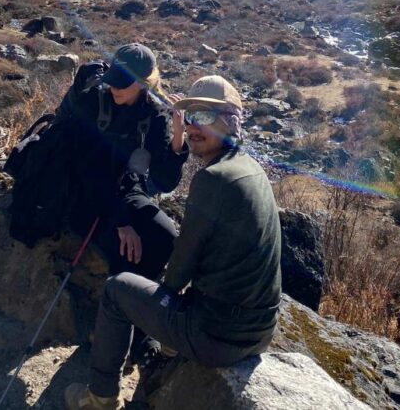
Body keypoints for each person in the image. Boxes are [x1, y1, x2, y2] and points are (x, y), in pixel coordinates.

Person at [64, 75, 282, 410]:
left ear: (230, 121)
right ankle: (163, 350)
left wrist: (159, 313)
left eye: (206, 118)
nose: (195, 127)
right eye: (191, 117)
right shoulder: (249, 168)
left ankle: (99, 398)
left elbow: (182, 265)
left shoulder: (213, 178)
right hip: (258, 332)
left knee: (117, 289)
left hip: (216, 337)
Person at [59, 43, 188, 282]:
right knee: (122, 245)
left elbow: (164, 181)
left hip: (123, 186)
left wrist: (178, 140)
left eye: (123, 81)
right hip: (79, 185)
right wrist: (121, 222)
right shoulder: (94, 100)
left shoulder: (154, 115)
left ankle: (132, 300)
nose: (114, 86)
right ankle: (116, 301)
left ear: (143, 83)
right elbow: (88, 167)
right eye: (113, 78)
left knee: (165, 237)